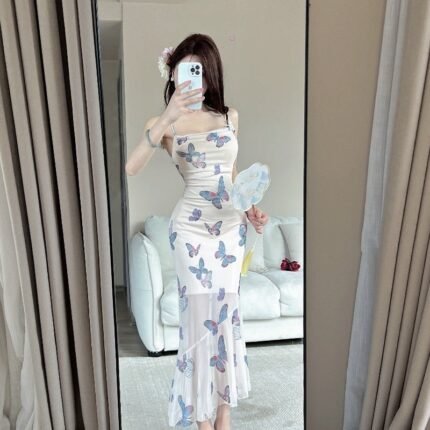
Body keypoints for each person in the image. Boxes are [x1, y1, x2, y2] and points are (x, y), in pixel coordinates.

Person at [126, 33, 269, 430]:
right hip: (190, 231)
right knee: (198, 323)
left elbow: (232, 176)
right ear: (173, 74)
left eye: (202, 72)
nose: (195, 79)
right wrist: (168, 116)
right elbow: (132, 167)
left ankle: (223, 416)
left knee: (225, 319)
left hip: (229, 232)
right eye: (187, 71)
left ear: (211, 76)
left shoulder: (229, 117)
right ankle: (202, 420)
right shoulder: (163, 124)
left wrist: (251, 210)